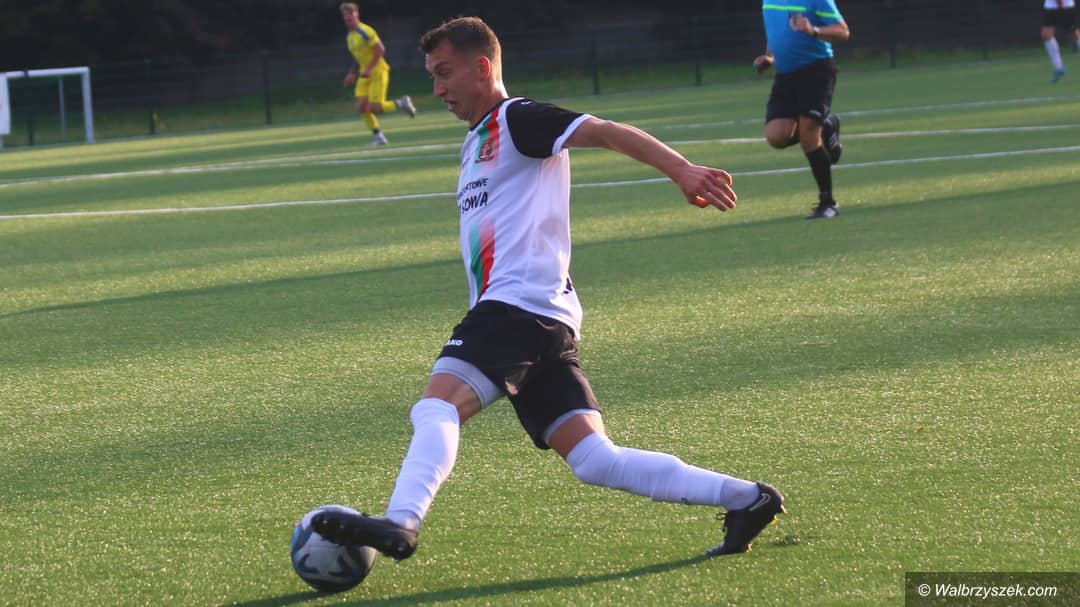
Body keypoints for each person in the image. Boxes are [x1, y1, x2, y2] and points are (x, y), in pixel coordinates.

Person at [312, 16, 785, 563]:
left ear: (482, 67)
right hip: (544, 318)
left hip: (515, 308)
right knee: (594, 460)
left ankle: (401, 522)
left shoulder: (516, 119)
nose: (437, 89)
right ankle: (747, 498)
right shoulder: (477, 141)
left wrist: (681, 170)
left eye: (444, 73)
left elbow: (603, 130)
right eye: (433, 76)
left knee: (436, 406)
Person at [754, 1, 849, 219]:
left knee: (808, 137)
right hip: (786, 75)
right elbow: (775, 30)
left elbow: (843, 31)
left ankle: (828, 202)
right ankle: (827, 126)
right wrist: (769, 57)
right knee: (776, 137)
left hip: (816, 71)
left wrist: (812, 30)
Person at [339, 2, 416, 146]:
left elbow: (380, 49)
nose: (348, 19)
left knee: (374, 108)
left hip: (377, 72)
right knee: (362, 108)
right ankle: (379, 137)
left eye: (350, 15)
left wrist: (369, 69)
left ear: (357, 15)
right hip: (363, 75)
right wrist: (352, 73)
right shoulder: (350, 36)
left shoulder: (365, 31)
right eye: (345, 16)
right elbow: (358, 57)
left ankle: (401, 103)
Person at [1041, 0, 1080, 83]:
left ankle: (1059, 67)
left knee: (1074, 35)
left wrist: (1060, 4)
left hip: (1065, 7)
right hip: (1050, 7)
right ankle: (1059, 68)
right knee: (1046, 35)